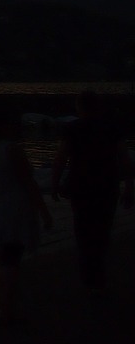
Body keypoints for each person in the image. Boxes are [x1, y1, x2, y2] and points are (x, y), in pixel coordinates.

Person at [52, 90, 134, 292]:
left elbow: (61, 158)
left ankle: (88, 272)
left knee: (83, 229)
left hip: (80, 186)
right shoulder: (112, 128)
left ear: (79, 107)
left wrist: (55, 183)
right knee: (103, 229)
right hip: (107, 185)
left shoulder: (72, 128)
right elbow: (125, 159)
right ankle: (97, 271)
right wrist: (129, 187)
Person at [0, 108, 52, 324]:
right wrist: (44, 212)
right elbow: (29, 182)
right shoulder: (12, 150)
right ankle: (7, 309)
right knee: (9, 260)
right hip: (12, 209)